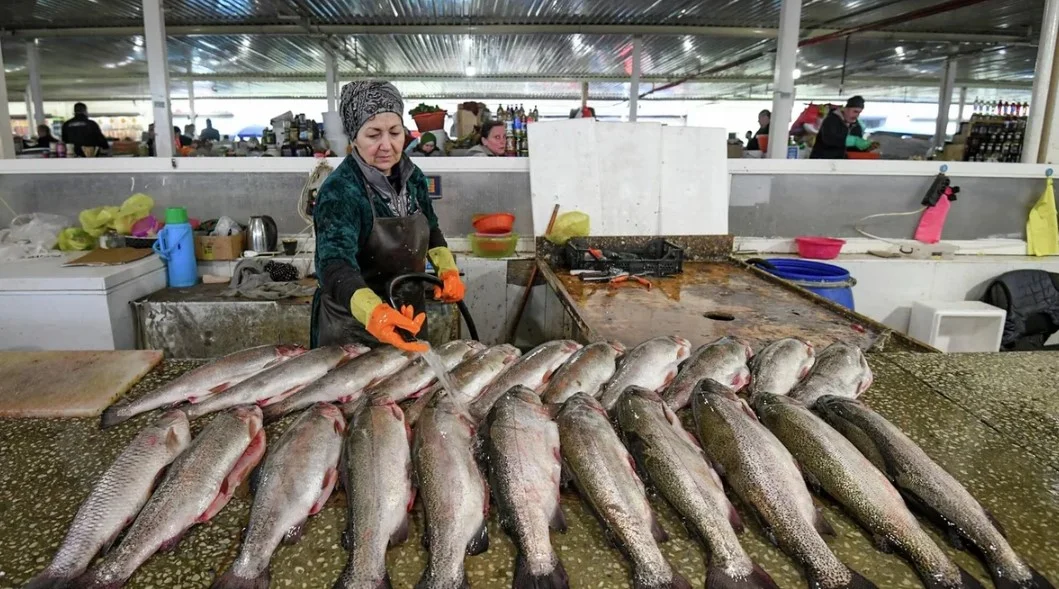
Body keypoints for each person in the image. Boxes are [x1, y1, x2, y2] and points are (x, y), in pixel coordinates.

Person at [311, 80, 465, 352]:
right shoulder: (341, 190)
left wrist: (448, 269)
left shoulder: (412, 176)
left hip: (409, 317)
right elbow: (333, 264)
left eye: (395, 132)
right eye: (373, 135)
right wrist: (373, 312)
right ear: (353, 137)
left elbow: (431, 228)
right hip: (354, 329)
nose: (387, 145)